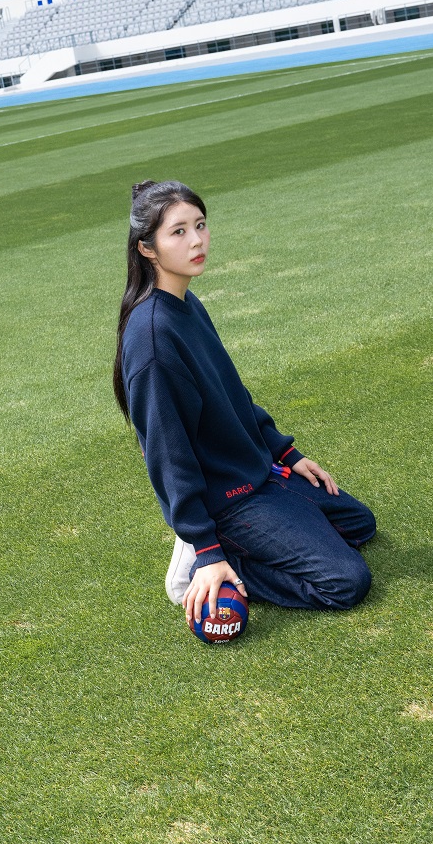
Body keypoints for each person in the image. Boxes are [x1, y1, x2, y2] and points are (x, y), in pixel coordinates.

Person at [114, 179, 376, 629]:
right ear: (147, 248)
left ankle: (260, 527)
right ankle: (208, 563)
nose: (196, 241)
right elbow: (167, 455)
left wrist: (285, 453)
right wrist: (205, 545)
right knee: (345, 581)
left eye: (200, 225)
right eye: (178, 232)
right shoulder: (153, 339)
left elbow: (233, 396)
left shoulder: (186, 303)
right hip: (226, 501)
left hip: (257, 474)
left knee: (358, 524)